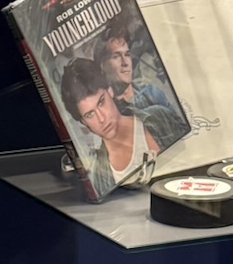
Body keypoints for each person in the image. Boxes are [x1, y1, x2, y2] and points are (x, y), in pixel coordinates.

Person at [59, 56, 159, 197]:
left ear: (110, 91)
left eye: (101, 102)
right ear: (83, 122)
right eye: (90, 114)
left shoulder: (158, 118)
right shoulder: (99, 177)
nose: (101, 118)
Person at [98, 28, 190, 150]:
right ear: (103, 65)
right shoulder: (105, 110)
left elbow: (182, 133)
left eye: (127, 55)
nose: (125, 62)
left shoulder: (152, 93)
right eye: (116, 56)